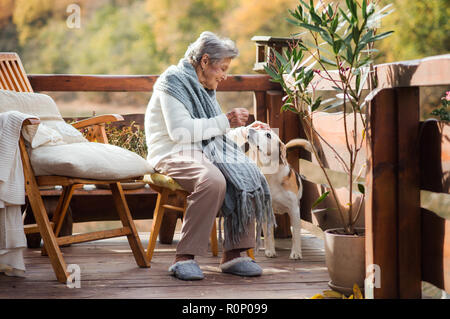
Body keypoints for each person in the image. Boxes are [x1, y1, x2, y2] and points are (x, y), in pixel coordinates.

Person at [145, 31, 275, 280]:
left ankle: (235, 254)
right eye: (222, 68)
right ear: (205, 61)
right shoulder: (172, 82)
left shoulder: (204, 87)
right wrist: (226, 120)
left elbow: (213, 134)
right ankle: (184, 258)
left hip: (200, 151)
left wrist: (245, 131)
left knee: (248, 173)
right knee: (212, 180)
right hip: (171, 152)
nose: (225, 75)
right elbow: (181, 132)